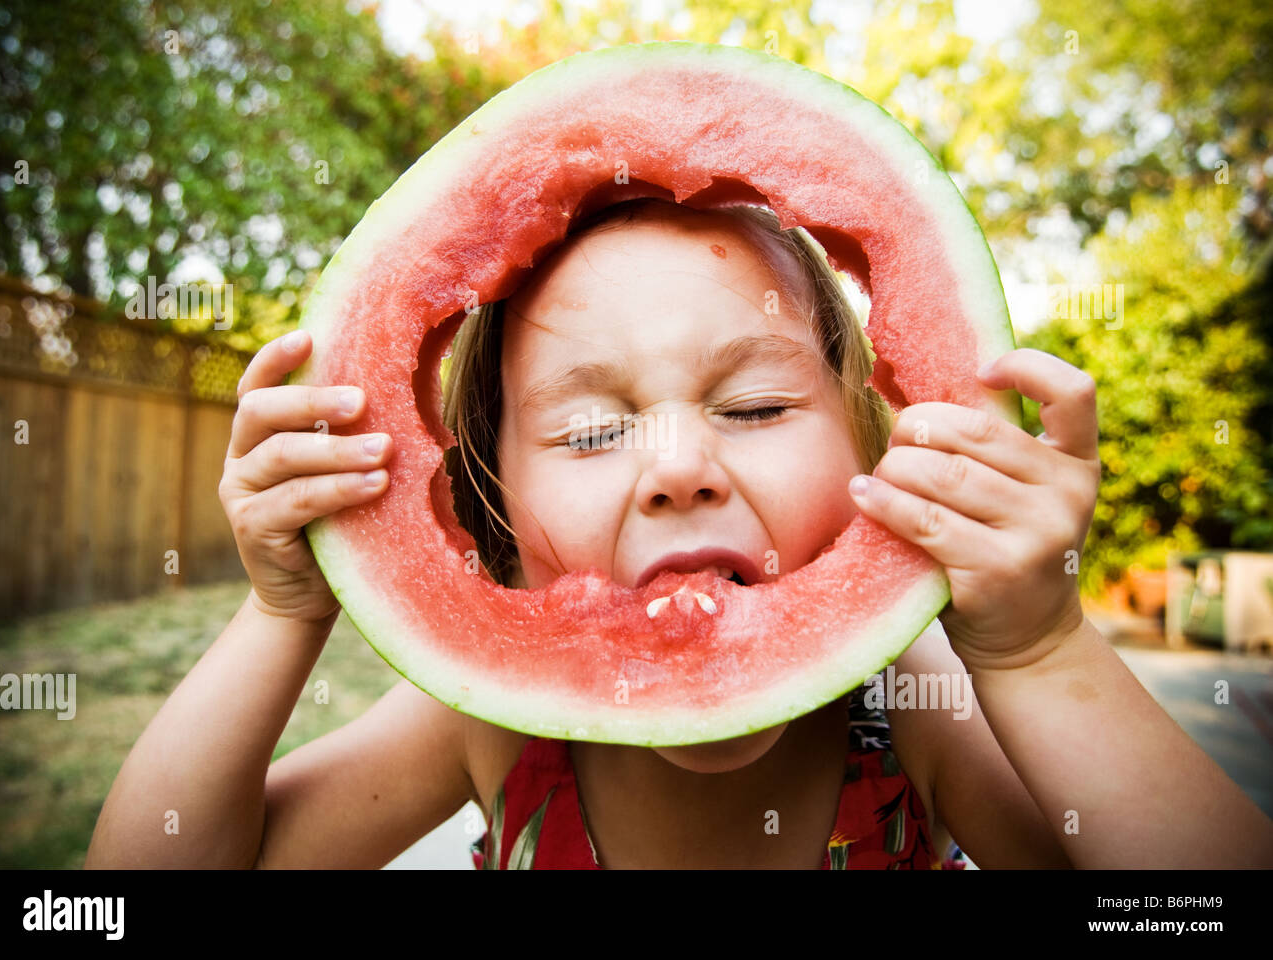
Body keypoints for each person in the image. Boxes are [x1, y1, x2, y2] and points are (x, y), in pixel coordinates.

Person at [86, 197, 1273, 869]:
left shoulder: (915, 716)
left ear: (871, 440)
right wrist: (282, 612)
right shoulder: (488, 722)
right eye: (590, 432)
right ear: (488, 492)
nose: (678, 471)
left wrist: (1038, 650)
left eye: (754, 408)